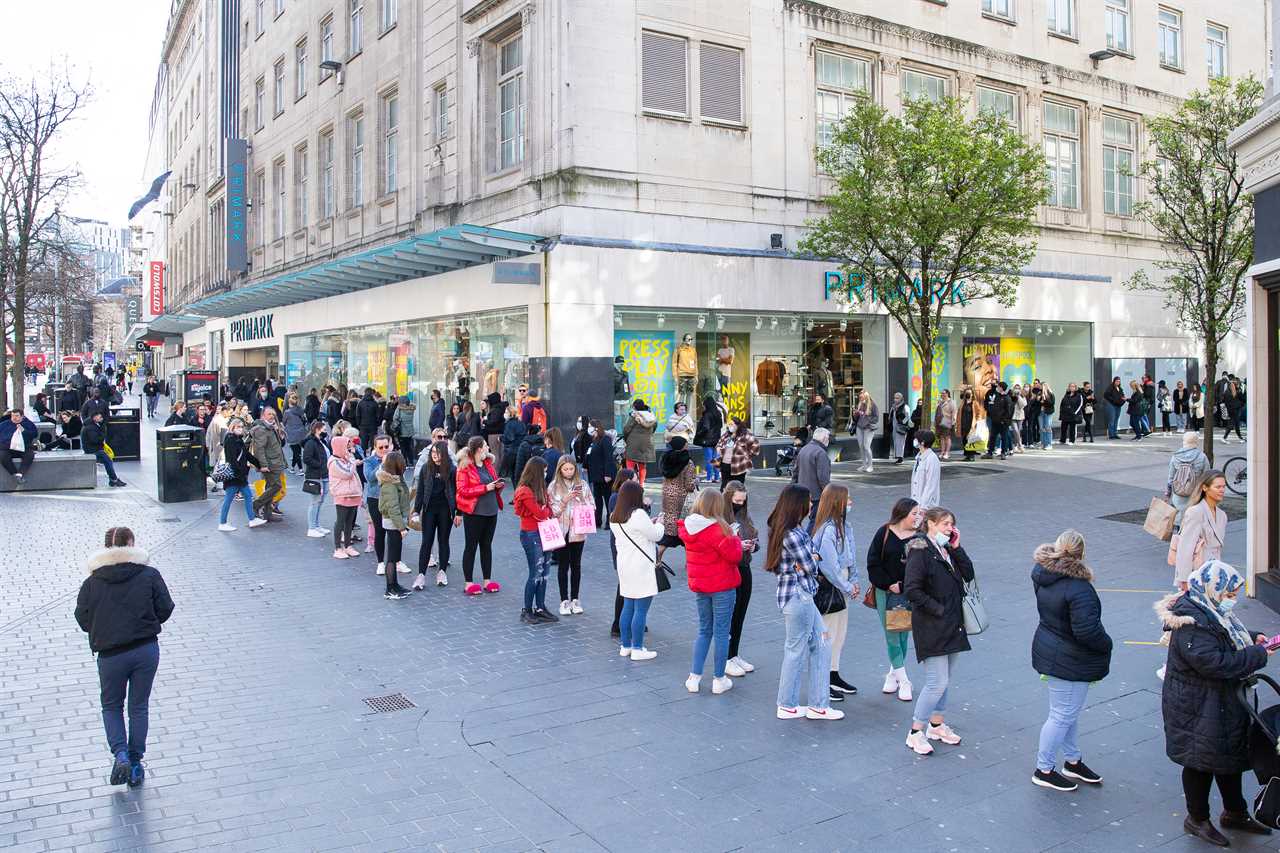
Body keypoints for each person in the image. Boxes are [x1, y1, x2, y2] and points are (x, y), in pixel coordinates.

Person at [1158, 561, 1273, 846]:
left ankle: (1235, 812)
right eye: (1231, 592)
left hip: (1220, 703)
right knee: (1201, 762)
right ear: (1214, 589)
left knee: (1229, 756)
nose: (1233, 597)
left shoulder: (1209, 608)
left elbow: (1224, 635)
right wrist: (1257, 654)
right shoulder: (1191, 621)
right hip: (1198, 707)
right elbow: (1215, 663)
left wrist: (1251, 636)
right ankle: (1196, 818)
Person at [75, 527, 174, 788]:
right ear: (131, 545)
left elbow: (83, 619)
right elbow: (166, 607)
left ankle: (120, 754)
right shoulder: (149, 574)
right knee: (138, 707)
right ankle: (135, 761)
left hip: (110, 655)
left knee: (111, 706)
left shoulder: (92, 582)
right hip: (145, 650)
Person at [1031, 530, 1113, 792]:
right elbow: (1087, 631)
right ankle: (1043, 769)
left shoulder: (1044, 576)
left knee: (1067, 712)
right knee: (1062, 714)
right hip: (1069, 658)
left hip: (1051, 649)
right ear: (1081, 553)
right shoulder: (1080, 589)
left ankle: (1072, 761)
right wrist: (1107, 643)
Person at [766, 485, 842, 720]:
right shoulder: (792, 533)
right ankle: (788, 704)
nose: (812, 505)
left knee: (821, 644)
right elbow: (811, 566)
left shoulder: (790, 530)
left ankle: (817, 704)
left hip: (800, 596)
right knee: (797, 649)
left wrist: (810, 560)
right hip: (799, 597)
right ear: (797, 504)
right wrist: (811, 560)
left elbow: (809, 562)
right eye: (808, 501)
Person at [903, 506, 975, 755]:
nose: (950, 528)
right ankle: (916, 731)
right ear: (930, 524)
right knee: (936, 682)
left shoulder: (945, 549)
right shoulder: (920, 549)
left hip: (952, 625)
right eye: (945, 524)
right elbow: (912, 589)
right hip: (933, 625)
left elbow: (969, 573)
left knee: (945, 680)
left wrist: (956, 547)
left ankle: (937, 724)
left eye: (951, 524)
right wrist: (939, 609)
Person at [680, 490, 742, 696]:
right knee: (722, 632)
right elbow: (734, 556)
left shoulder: (690, 526)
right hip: (722, 586)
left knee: (704, 630)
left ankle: (694, 677)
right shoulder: (719, 530)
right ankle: (719, 679)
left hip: (701, 587)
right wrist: (734, 537)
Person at [867, 498, 921, 701]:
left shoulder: (917, 537)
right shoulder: (885, 532)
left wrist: (905, 584)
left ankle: (893, 674)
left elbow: (919, 566)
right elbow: (873, 562)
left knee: (901, 635)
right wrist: (889, 583)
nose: (917, 517)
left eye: (919, 513)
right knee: (891, 634)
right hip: (886, 592)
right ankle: (905, 680)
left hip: (907, 593)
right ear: (902, 513)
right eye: (914, 513)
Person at [812, 484, 860, 702]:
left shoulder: (845, 527)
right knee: (829, 634)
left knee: (840, 634)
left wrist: (854, 580)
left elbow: (850, 557)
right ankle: (823, 679)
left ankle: (833, 674)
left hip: (842, 584)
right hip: (833, 587)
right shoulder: (828, 529)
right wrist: (848, 586)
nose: (851, 503)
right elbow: (829, 566)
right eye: (848, 499)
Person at [611, 480, 663, 660]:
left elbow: (639, 531)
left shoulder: (614, 516)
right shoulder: (638, 514)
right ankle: (638, 648)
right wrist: (660, 523)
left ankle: (626, 646)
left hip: (625, 566)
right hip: (641, 566)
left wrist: (650, 523)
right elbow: (656, 535)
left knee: (628, 606)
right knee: (641, 609)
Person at [456, 436, 505, 596]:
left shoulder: (488, 464)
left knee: (486, 546)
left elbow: (491, 484)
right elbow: (462, 490)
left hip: (491, 511)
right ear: (478, 449)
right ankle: (468, 582)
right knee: (471, 546)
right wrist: (485, 488)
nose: (488, 449)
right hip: (475, 513)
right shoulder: (465, 467)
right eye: (485, 446)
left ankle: (487, 581)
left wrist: (498, 486)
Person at [513, 457, 559, 624]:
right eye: (545, 470)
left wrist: (543, 510)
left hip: (543, 532)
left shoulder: (540, 489)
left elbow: (548, 509)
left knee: (545, 573)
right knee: (535, 573)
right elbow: (541, 513)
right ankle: (527, 609)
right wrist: (543, 510)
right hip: (531, 534)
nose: (547, 473)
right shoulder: (525, 491)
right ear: (538, 472)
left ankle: (540, 607)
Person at [721, 481, 758, 678]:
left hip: (744, 566)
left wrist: (752, 545)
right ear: (728, 499)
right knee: (730, 614)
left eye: (743, 501)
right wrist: (736, 544)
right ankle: (726, 657)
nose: (740, 504)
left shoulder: (744, 515)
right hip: (729, 568)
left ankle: (734, 654)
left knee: (741, 613)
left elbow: (754, 536)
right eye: (736, 501)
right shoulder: (720, 515)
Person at [549, 454, 593, 614]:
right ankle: (563, 601)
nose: (568, 472)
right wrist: (564, 500)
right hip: (561, 530)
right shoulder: (553, 486)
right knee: (563, 566)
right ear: (559, 470)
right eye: (565, 469)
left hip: (578, 530)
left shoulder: (583, 484)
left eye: (571, 469)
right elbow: (551, 511)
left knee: (576, 565)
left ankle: (575, 599)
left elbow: (592, 506)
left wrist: (581, 499)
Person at [411, 441, 457, 589]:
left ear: (444, 453)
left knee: (443, 541)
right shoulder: (426, 468)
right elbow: (420, 491)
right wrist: (416, 510)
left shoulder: (451, 469)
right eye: (433, 453)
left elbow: (457, 492)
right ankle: (421, 575)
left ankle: (442, 572)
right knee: (426, 542)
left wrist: (458, 512)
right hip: (429, 510)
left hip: (445, 510)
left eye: (438, 453)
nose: (435, 456)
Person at [1174, 471, 1228, 591]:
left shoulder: (1222, 515)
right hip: (1197, 574)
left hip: (1216, 574)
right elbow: (1185, 547)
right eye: (1217, 487)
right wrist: (1183, 579)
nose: (1222, 490)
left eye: (1224, 486)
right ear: (1205, 488)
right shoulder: (1196, 512)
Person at [217, 418, 266, 531]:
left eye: (241, 426)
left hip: (239, 476)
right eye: (238, 427)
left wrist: (259, 465)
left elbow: (247, 454)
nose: (240, 428)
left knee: (248, 496)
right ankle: (222, 523)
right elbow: (232, 460)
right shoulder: (230, 440)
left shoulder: (238, 439)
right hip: (235, 476)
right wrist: (239, 473)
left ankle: (252, 519)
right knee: (229, 499)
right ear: (232, 428)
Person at [377, 451, 414, 599]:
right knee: (392, 557)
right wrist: (401, 527)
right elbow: (393, 508)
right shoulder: (389, 484)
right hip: (393, 523)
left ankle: (395, 585)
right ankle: (390, 588)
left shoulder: (397, 480)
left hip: (397, 522)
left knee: (396, 555)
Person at [328, 434, 363, 558]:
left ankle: (348, 546)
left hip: (353, 494)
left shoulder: (346, 459)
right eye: (346, 446)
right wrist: (353, 461)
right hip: (342, 495)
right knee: (341, 521)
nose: (348, 448)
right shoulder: (334, 462)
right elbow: (347, 473)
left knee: (349, 522)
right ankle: (338, 548)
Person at [364, 435, 395, 574]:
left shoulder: (394, 459)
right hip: (375, 498)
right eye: (380, 447)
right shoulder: (370, 461)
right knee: (380, 531)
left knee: (394, 531)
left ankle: (395, 561)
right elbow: (370, 478)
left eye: (386, 447)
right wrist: (382, 464)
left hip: (392, 499)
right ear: (375, 448)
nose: (384, 450)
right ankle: (381, 562)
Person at [249, 407, 287, 521]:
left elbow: (278, 445)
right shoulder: (261, 429)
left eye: (273, 414)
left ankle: (268, 514)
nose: (272, 416)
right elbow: (259, 449)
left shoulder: (271, 427)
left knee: (271, 487)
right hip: (270, 463)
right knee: (276, 486)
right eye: (269, 414)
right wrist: (263, 465)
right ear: (263, 415)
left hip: (276, 462)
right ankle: (256, 504)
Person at [1166, 432, 1211, 523]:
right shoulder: (1202, 456)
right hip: (1196, 494)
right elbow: (1207, 476)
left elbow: (1171, 477)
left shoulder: (1175, 457)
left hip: (1179, 493)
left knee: (1179, 519)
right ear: (1196, 442)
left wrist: (1168, 492)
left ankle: (1179, 534)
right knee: (1194, 522)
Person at [792, 426, 832, 518]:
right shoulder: (821, 453)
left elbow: (795, 472)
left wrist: (792, 489)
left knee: (806, 519)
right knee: (815, 521)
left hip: (804, 492)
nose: (828, 440)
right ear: (824, 438)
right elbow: (823, 478)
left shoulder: (804, 449)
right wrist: (830, 494)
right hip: (816, 494)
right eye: (828, 438)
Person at [584, 419, 616, 528]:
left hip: (604, 476)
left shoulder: (605, 440)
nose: (589, 428)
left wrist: (608, 474)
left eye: (590, 426)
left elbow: (608, 458)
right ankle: (597, 521)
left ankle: (609, 521)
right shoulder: (594, 440)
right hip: (595, 475)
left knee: (607, 499)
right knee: (597, 500)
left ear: (596, 427)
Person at [302, 420, 331, 538]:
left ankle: (317, 525)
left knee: (320, 502)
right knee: (315, 502)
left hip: (323, 475)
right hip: (315, 476)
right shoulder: (311, 443)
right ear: (317, 430)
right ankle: (312, 527)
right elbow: (307, 458)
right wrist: (320, 465)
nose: (326, 432)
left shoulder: (321, 441)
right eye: (324, 429)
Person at [82, 411, 125, 487]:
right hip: (93, 450)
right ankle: (114, 480)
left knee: (108, 460)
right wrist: (103, 434)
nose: (101, 418)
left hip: (93, 448)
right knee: (108, 461)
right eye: (100, 417)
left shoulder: (92, 425)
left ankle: (113, 479)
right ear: (94, 417)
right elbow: (95, 440)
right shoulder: (91, 427)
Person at [715, 417, 760, 488]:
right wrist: (718, 448)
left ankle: (740, 498)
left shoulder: (745, 435)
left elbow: (756, 445)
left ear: (738, 425)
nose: (729, 426)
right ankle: (726, 498)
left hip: (739, 466)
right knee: (724, 487)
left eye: (731, 424)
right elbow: (719, 442)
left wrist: (747, 456)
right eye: (729, 424)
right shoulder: (727, 434)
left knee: (738, 487)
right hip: (725, 464)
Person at [622, 399, 657, 484]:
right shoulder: (651, 416)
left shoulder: (634, 416)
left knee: (630, 464)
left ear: (634, 407)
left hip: (633, 444)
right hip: (646, 444)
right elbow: (654, 428)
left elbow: (626, 429)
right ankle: (641, 484)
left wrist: (626, 439)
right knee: (642, 465)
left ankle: (631, 483)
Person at [0, 409, 37, 483]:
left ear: (22, 416)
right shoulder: (4, 424)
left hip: (24, 447)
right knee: (2, 455)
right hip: (7, 448)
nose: (14, 418)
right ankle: (15, 474)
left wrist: (24, 431)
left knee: (30, 455)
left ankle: (20, 474)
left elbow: (34, 435)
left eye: (17, 416)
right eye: (12, 416)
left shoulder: (28, 424)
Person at [909, 429, 941, 511]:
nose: (915, 441)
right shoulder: (919, 457)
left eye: (916, 439)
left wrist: (923, 506)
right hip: (916, 504)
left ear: (922, 442)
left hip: (927, 506)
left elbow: (931, 485)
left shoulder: (932, 459)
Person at [694, 395, 724, 483]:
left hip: (707, 440)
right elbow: (721, 426)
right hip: (716, 439)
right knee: (715, 459)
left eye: (704, 405)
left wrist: (699, 433)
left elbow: (706, 427)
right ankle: (717, 477)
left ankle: (708, 478)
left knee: (709, 459)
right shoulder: (718, 413)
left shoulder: (707, 414)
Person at [851, 390, 879, 473]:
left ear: (866, 396)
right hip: (859, 427)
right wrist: (855, 414)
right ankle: (864, 465)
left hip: (868, 428)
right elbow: (856, 418)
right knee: (861, 446)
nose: (860, 398)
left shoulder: (872, 405)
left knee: (866, 446)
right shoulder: (860, 404)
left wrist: (868, 420)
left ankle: (870, 466)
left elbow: (876, 417)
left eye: (861, 397)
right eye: (859, 397)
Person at [501, 406, 528, 481]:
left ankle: (517, 491)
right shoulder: (521, 423)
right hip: (522, 450)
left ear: (510, 414)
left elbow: (509, 438)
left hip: (512, 451)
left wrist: (501, 438)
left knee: (513, 473)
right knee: (520, 472)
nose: (504, 414)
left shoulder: (509, 424)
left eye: (506, 412)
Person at [283, 393, 308, 472]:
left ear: (289, 403)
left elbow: (284, 422)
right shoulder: (300, 410)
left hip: (291, 434)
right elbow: (305, 420)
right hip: (301, 433)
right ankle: (293, 468)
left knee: (295, 451)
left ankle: (300, 469)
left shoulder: (287, 412)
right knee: (297, 451)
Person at [481, 392, 507, 470]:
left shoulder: (496, 409)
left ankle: (495, 474)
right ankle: (498, 473)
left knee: (495, 454)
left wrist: (484, 421)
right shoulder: (500, 408)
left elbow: (492, 421)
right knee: (500, 454)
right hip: (500, 433)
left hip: (493, 433)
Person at [934, 389, 956, 460]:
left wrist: (953, 422)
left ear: (947, 394)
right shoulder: (940, 402)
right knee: (941, 438)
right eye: (941, 393)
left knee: (947, 437)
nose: (942, 395)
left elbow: (954, 412)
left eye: (944, 393)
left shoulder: (951, 402)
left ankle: (947, 452)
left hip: (948, 421)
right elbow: (937, 412)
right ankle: (942, 452)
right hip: (940, 422)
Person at [1038, 383, 1056, 449]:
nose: (1042, 389)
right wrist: (1038, 399)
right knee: (1042, 428)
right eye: (1041, 387)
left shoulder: (1051, 394)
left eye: (1043, 387)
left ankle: (1049, 444)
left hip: (1048, 412)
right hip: (1041, 413)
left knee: (1047, 427)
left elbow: (1052, 403)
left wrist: (1045, 397)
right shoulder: (1039, 394)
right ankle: (1043, 444)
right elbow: (1037, 403)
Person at [1010, 385, 1026, 452]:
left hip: (1020, 416)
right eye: (1015, 388)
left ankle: (1015, 445)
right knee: (1015, 431)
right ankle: (1020, 445)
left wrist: (1018, 396)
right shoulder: (1011, 396)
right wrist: (1014, 395)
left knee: (1018, 432)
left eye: (1018, 388)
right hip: (1013, 416)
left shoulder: (1022, 396)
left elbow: (1023, 405)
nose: (1017, 390)